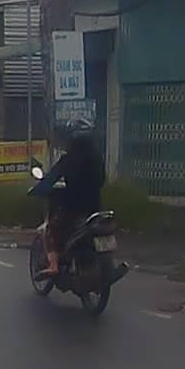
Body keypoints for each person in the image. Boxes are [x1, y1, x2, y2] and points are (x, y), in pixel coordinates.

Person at [36, 118, 105, 280]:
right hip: (95, 206)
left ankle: (53, 265)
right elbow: (102, 180)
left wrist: (38, 190)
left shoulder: (69, 159)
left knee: (52, 229)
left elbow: (51, 179)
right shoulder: (97, 157)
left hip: (73, 207)